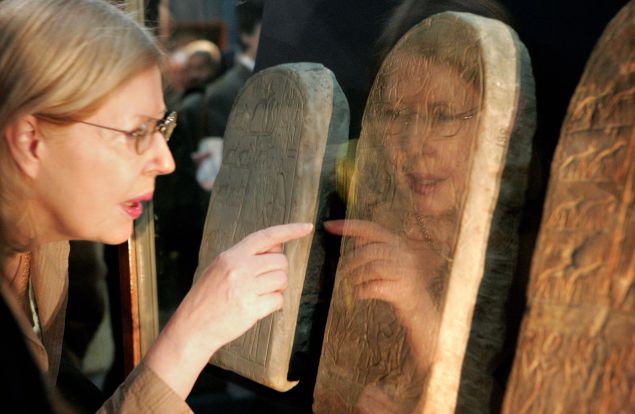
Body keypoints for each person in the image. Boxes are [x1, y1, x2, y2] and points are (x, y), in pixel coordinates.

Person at [0, 0, 312, 412]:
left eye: (162, 127)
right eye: (136, 132)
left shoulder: (39, 248)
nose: (165, 162)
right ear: (30, 142)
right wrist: (193, 332)